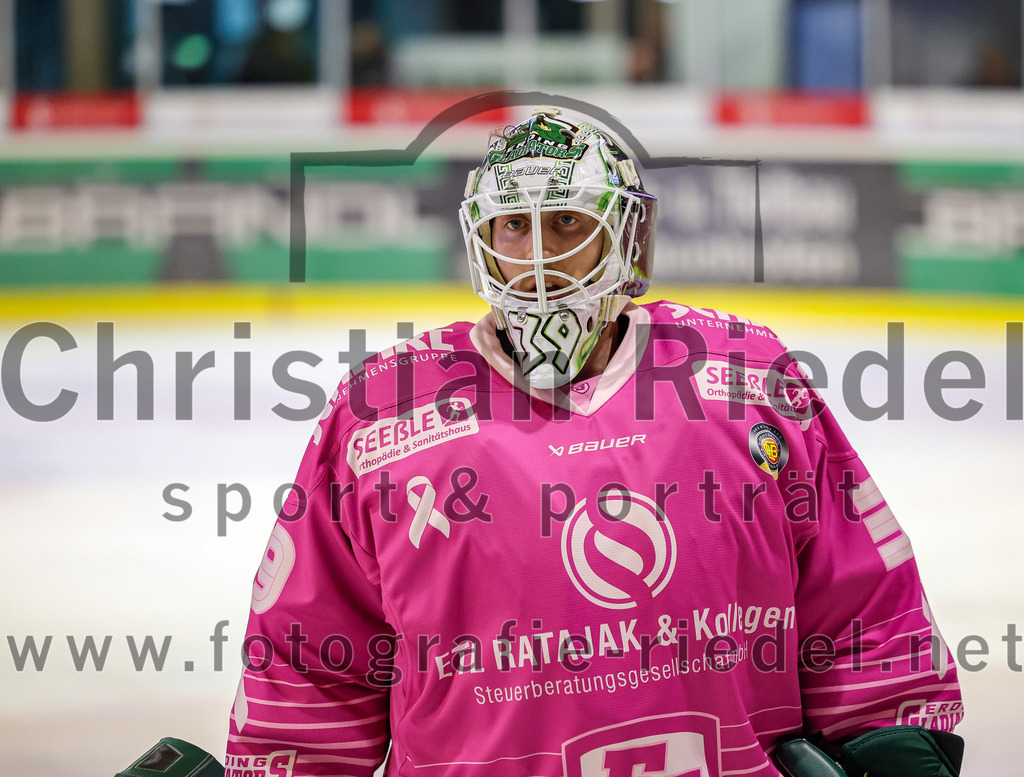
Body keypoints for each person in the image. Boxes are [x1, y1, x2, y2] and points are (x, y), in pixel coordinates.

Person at [225, 108, 964, 777]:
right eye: (513, 227)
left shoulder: (748, 375)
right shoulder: (382, 415)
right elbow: (308, 669)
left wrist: (892, 738)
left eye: (567, 223)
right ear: (481, 239)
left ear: (623, 235)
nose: (538, 257)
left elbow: (863, 607)